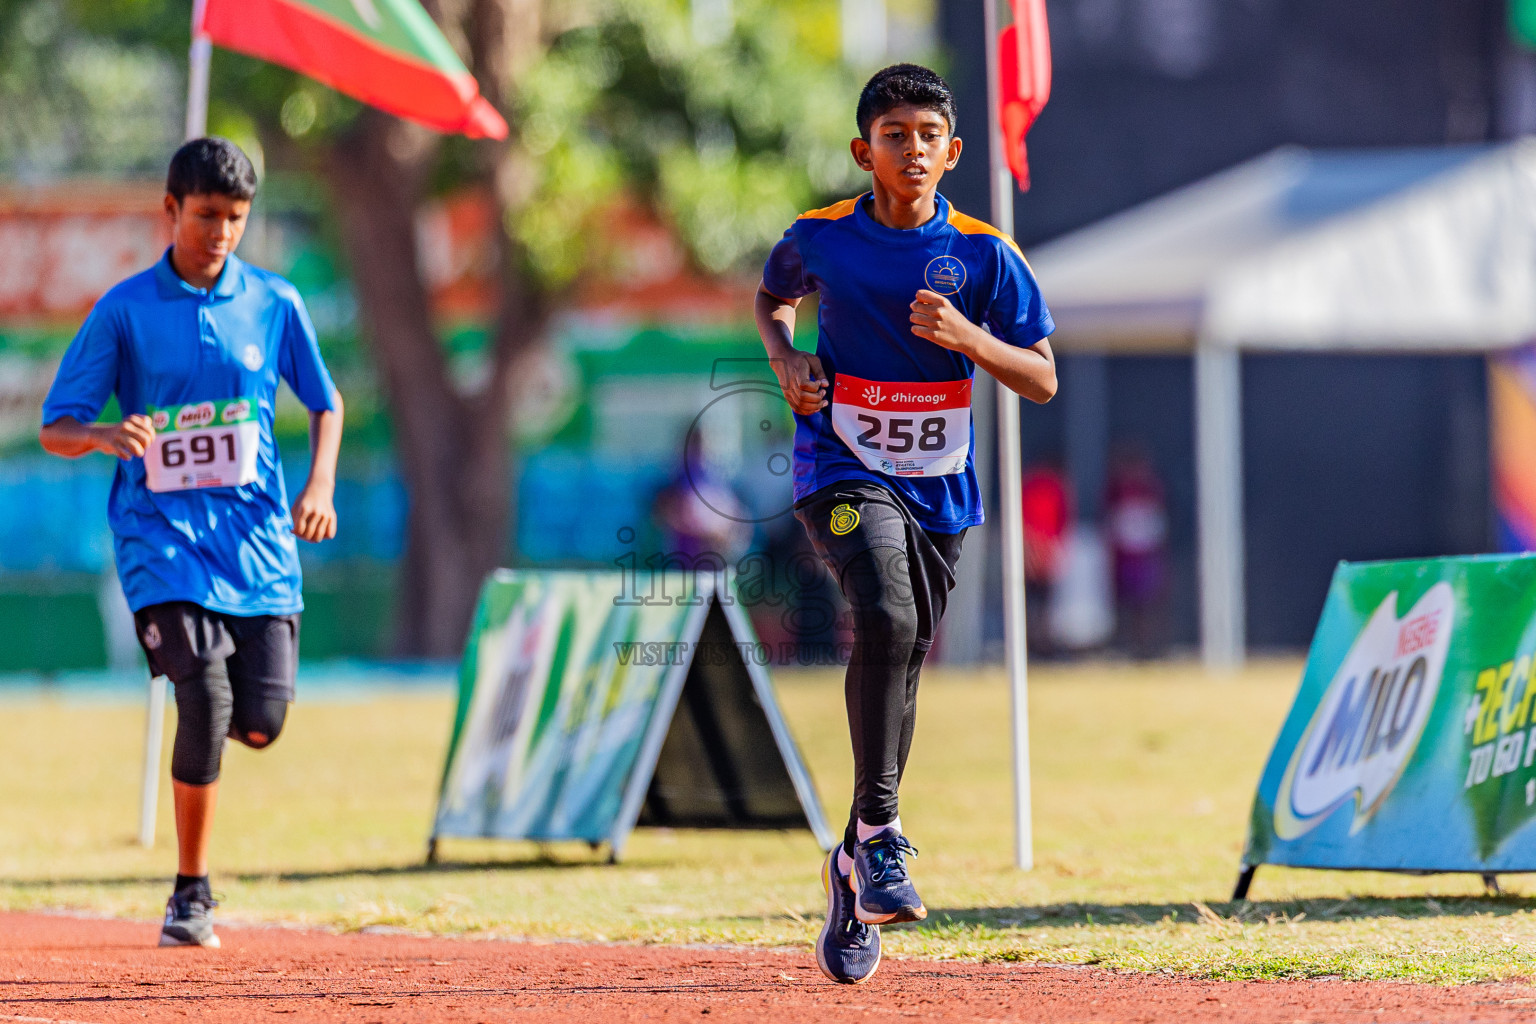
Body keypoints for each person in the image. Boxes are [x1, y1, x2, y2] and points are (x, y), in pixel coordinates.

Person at [755, 64, 1057, 984]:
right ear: (864, 151)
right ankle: (883, 835)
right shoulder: (822, 240)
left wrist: (970, 340)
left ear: (953, 150)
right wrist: (785, 358)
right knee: (884, 616)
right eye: (895, 135)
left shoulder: (986, 256)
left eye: (929, 134)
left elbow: (1041, 376)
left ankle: (852, 861)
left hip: (941, 489)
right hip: (840, 467)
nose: (913, 149)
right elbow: (773, 297)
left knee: (906, 645)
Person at [38, 138, 343, 949]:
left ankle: (222, 782)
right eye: (206, 215)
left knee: (260, 722)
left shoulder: (275, 303)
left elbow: (326, 401)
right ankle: (191, 893)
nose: (221, 233)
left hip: (258, 549)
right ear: (170, 210)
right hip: (160, 543)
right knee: (202, 698)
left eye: (236, 219)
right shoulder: (126, 309)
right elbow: (56, 428)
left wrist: (318, 488)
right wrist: (106, 435)